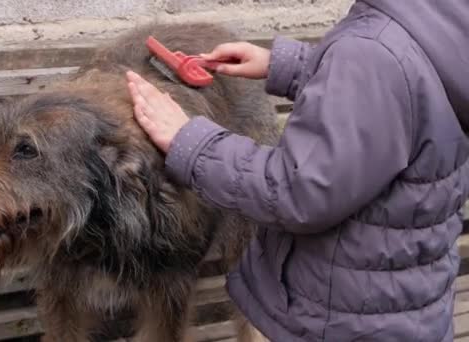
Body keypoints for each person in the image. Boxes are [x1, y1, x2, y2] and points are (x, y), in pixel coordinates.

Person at [125, 1, 469, 341]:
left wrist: (189, 141)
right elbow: (390, 87)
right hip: (406, 305)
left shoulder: (371, 53)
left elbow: (298, 191)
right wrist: (285, 65)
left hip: (341, 320)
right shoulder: (435, 23)